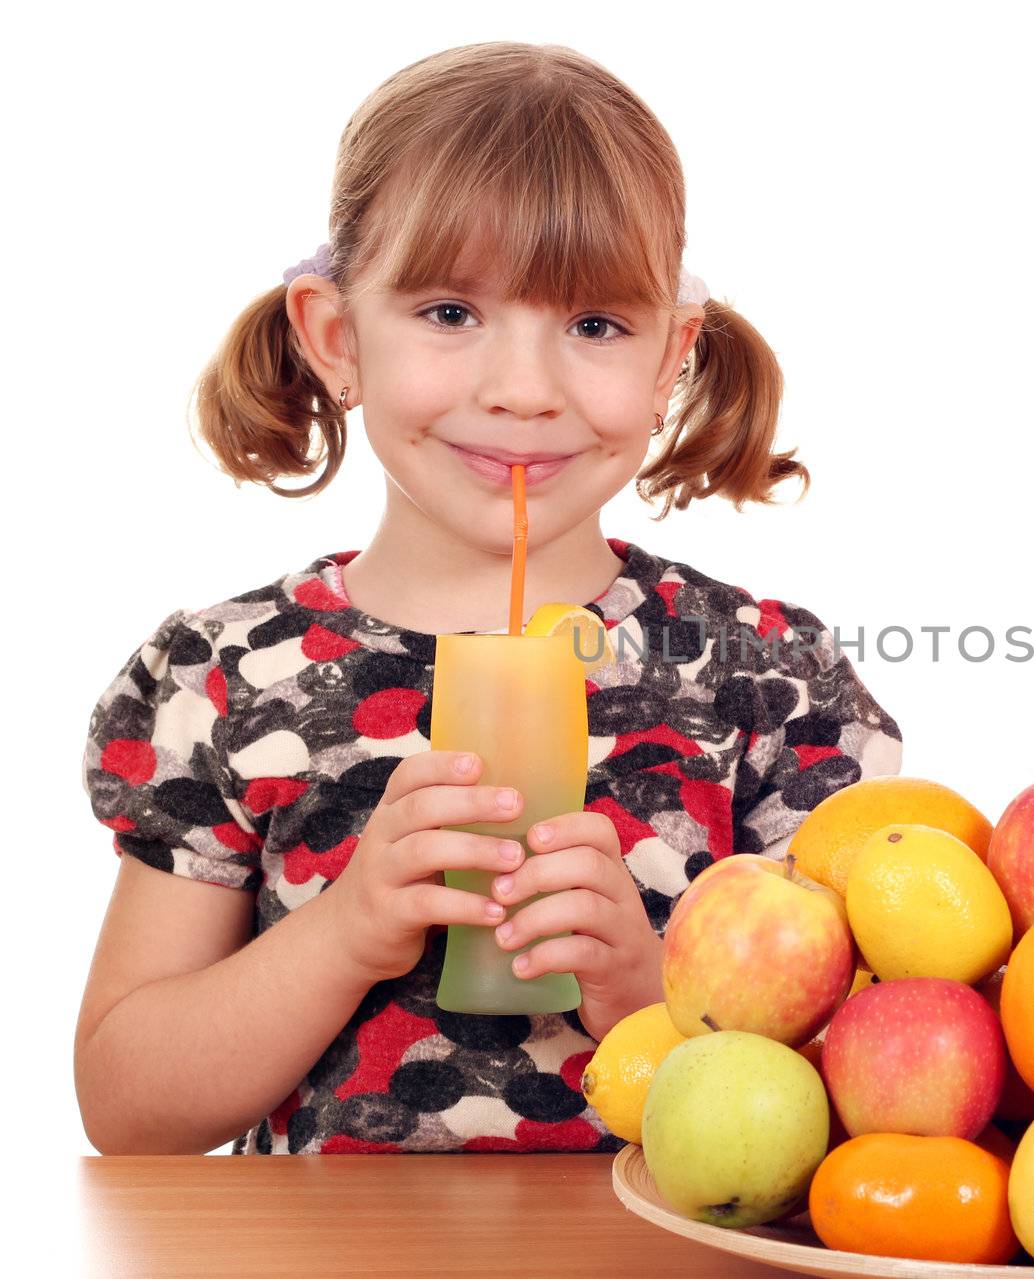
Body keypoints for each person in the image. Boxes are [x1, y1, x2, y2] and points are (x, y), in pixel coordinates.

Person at [76, 41, 903, 1156]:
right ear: (335, 335)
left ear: (671, 359)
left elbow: (869, 1100)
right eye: (451, 313)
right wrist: (346, 934)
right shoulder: (227, 674)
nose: (522, 392)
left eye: (596, 326)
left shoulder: (766, 677)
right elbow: (129, 1111)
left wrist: (642, 991)